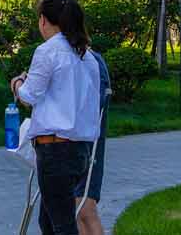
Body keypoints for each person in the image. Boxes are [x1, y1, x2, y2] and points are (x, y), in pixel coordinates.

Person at [9, 0, 101, 235]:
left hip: (55, 150)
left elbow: (29, 96)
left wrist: (17, 84)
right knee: (49, 221)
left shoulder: (47, 51)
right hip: (80, 150)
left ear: (43, 20)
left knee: (62, 225)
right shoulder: (87, 56)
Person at [73, 47, 112, 235]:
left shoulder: (90, 61)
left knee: (85, 207)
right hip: (72, 145)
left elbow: (95, 109)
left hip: (87, 144)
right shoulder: (74, 58)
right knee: (77, 208)